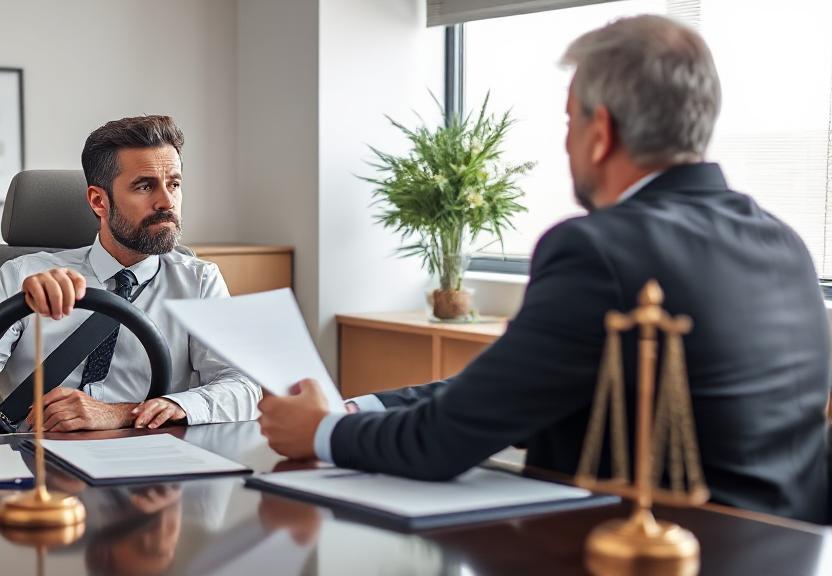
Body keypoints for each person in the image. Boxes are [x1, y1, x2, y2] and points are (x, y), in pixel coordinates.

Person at [258, 15, 830, 524]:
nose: (567, 141)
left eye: (567, 121)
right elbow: (514, 391)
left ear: (601, 132)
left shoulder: (598, 248)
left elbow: (444, 441)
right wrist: (363, 406)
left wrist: (320, 431)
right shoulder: (785, 244)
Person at [0, 115, 260, 431]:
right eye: (144, 186)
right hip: (34, 467)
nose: (167, 202)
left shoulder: (198, 282)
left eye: (173, 184)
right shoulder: (23, 274)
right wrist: (7, 315)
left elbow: (245, 389)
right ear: (98, 201)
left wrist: (126, 412)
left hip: (145, 470)